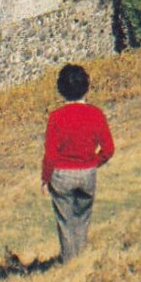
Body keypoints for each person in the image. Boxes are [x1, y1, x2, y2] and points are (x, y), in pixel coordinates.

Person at [41, 64, 115, 263]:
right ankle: (81, 262)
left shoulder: (56, 117)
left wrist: (45, 179)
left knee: (66, 224)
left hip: (61, 175)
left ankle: (69, 264)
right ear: (87, 86)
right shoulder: (96, 114)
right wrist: (92, 163)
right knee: (82, 221)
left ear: (60, 89)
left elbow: (50, 155)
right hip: (87, 173)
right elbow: (108, 149)